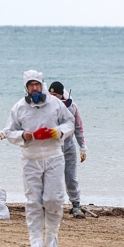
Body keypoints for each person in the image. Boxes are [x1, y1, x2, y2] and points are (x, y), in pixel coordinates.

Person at [2, 70, 74, 247]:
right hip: (30, 158)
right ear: (26, 88)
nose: (34, 88)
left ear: (42, 84)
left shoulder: (56, 104)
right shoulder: (19, 107)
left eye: (37, 84)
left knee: (54, 198)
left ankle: (51, 235)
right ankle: (35, 242)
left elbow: (70, 123)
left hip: (54, 156)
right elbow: (8, 132)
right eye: (30, 85)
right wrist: (23, 135)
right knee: (33, 201)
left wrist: (58, 132)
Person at [48, 81, 88, 219]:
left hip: (69, 148)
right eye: (51, 94)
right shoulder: (44, 108)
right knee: (52, 178)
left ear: (61, 94)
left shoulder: (72, 107)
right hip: (52, 149)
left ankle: (76, 206)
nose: (53, 97)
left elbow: (78, 128)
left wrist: (83, 147)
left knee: (71, 178)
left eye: (56, 94)